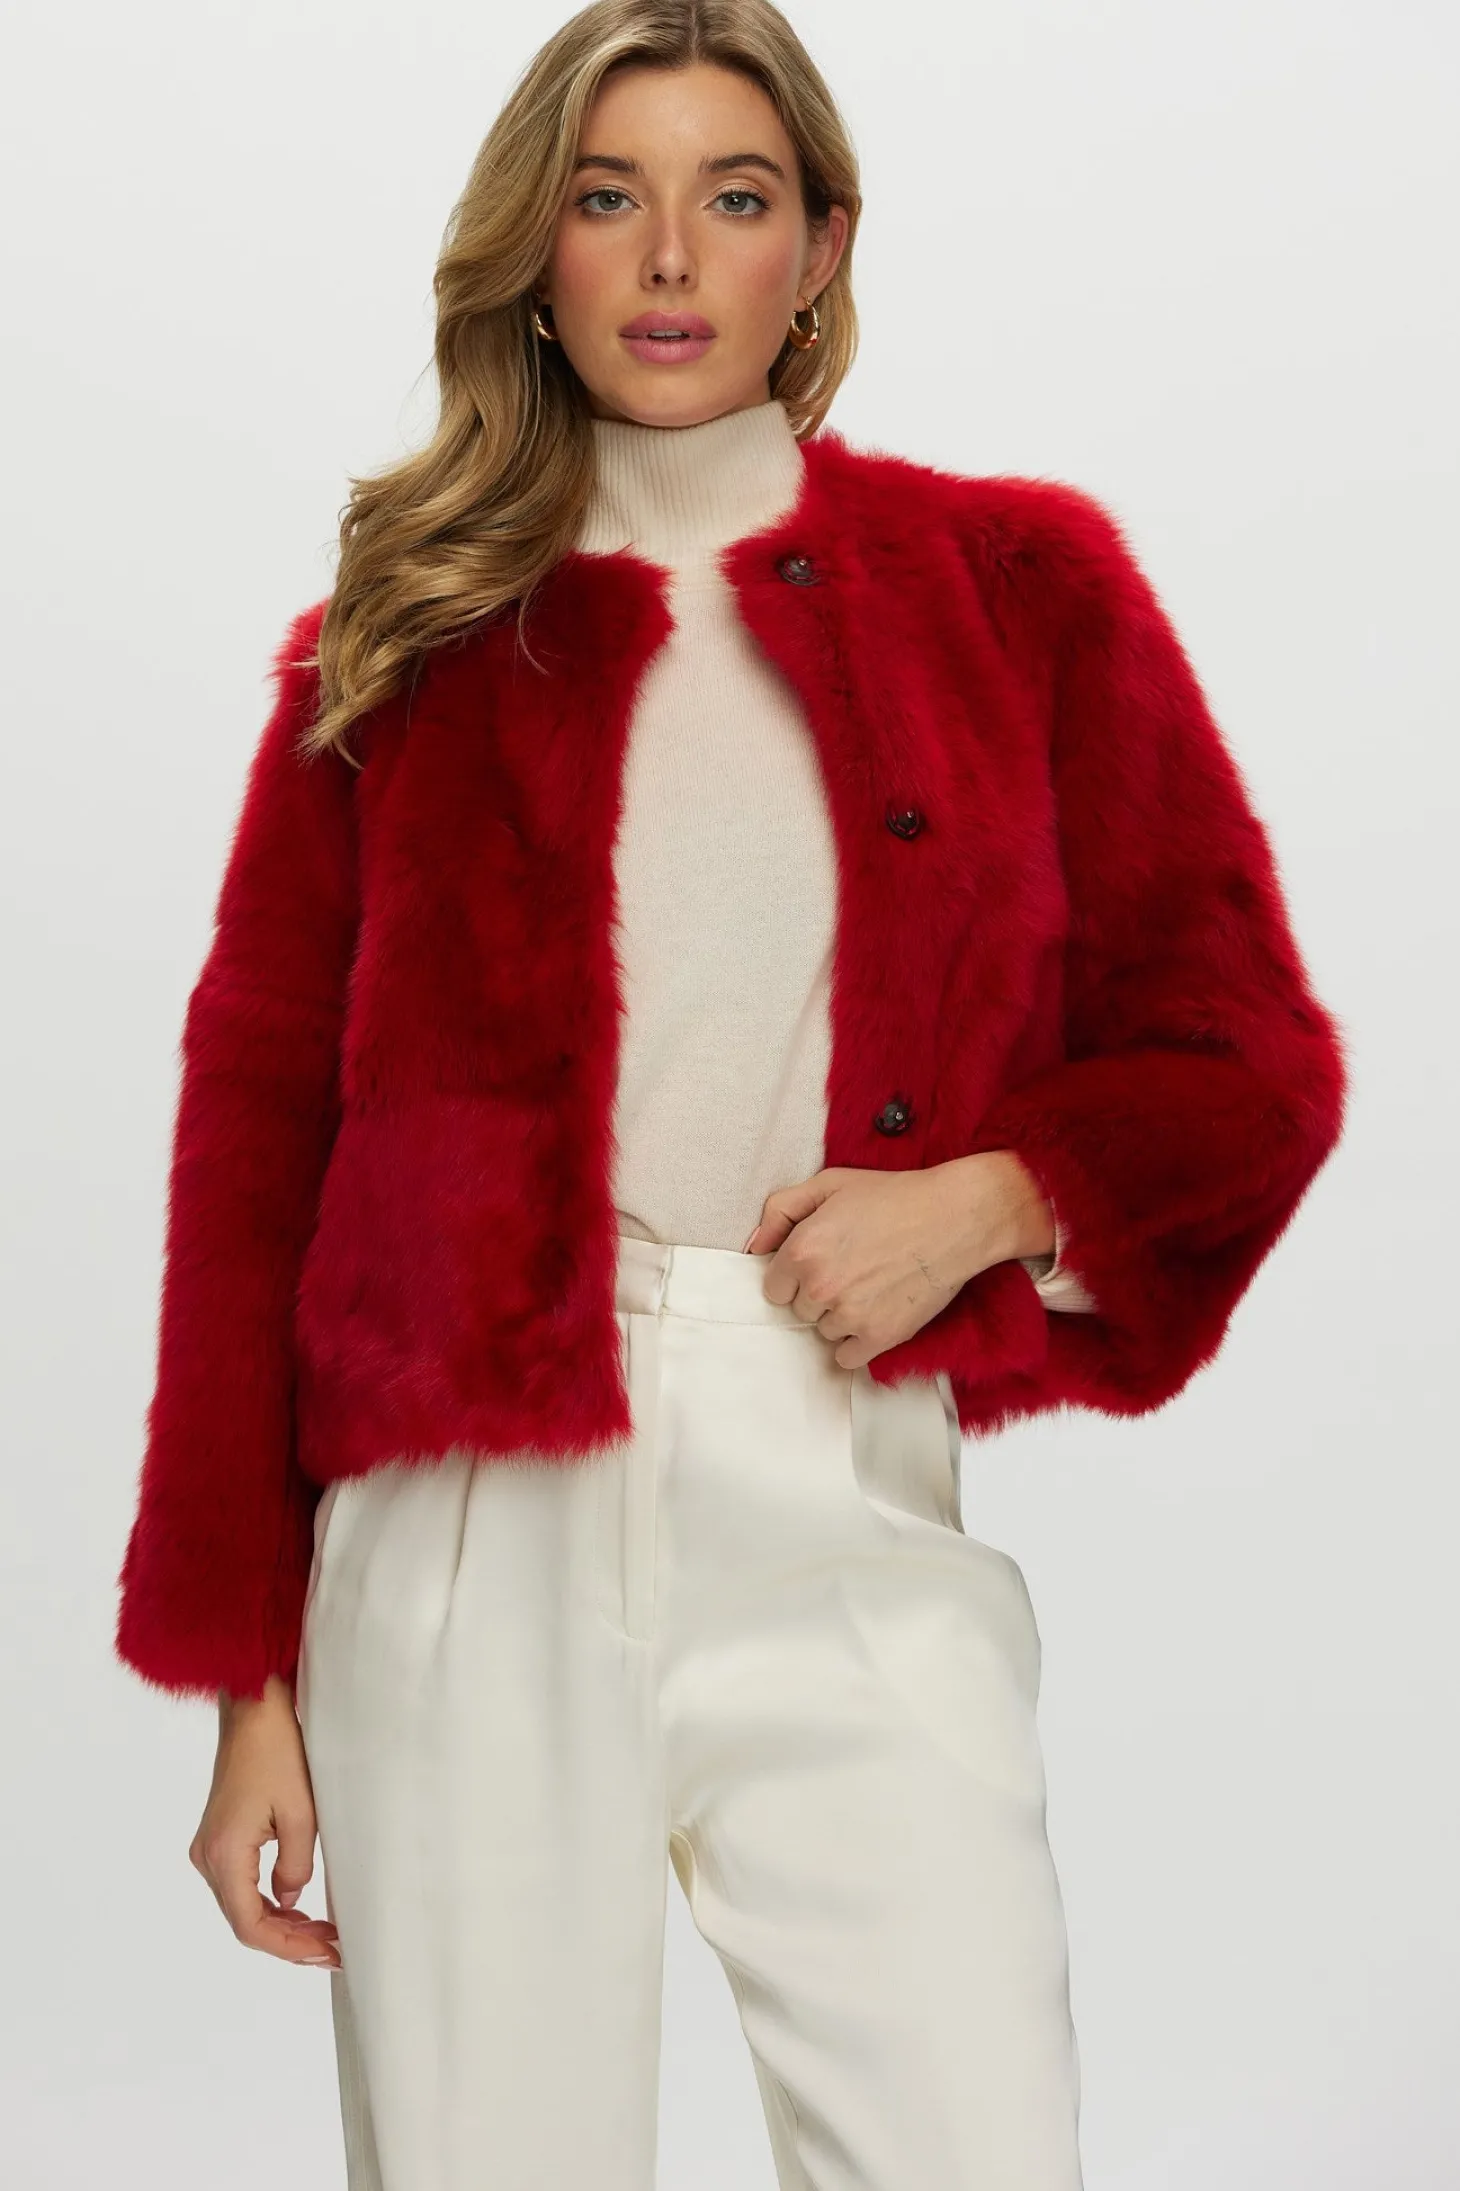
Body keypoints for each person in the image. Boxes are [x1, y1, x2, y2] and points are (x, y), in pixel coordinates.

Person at [113, 3, 1349, 2186]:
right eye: (609, 197)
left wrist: (993, 1199)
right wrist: (250, 1678)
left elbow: (1251, 1065)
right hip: (472, 1514)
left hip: (836, 1470)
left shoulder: (1014, 592)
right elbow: (253, 1166)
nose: (671, 255)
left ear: (820, 246)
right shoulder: (396, 646)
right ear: (538, 250)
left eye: (736, 196)